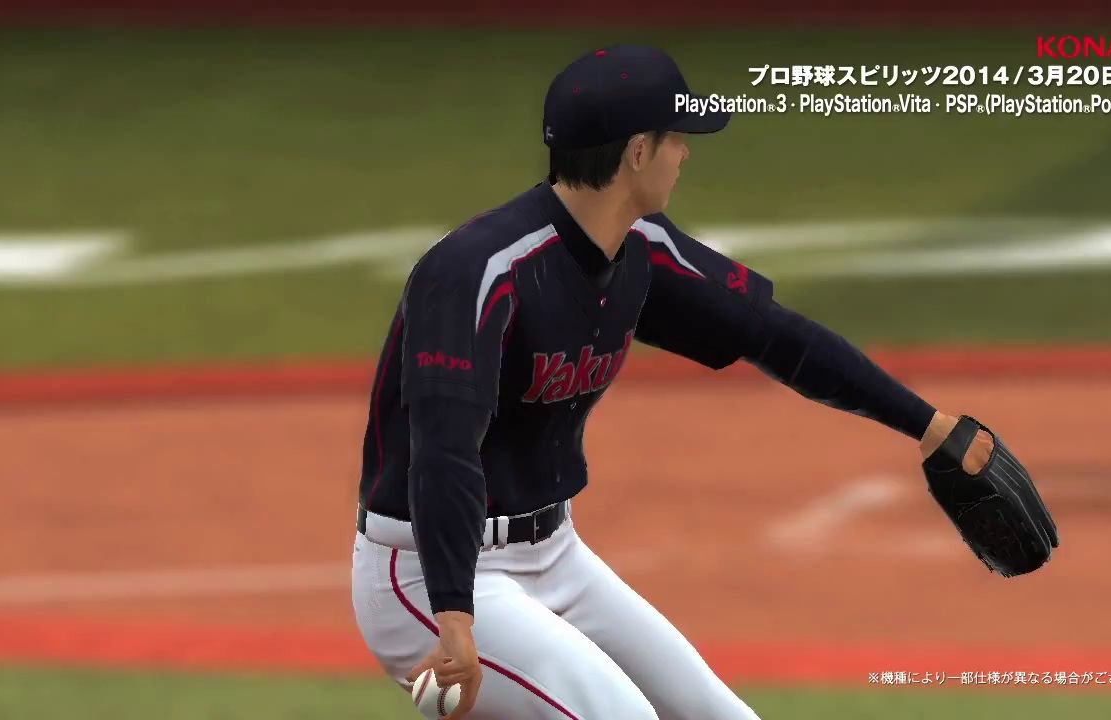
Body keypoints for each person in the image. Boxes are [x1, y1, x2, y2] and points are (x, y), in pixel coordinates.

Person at [350, 44, 1043, 720]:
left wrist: (929, 426)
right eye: (676, 137)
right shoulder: (475, 271)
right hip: (426, 573)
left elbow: (777, 337)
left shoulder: (638, 249)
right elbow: (443, 449)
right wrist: (455, 616)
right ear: (637, 152)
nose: (685, 152)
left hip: (553, 555)